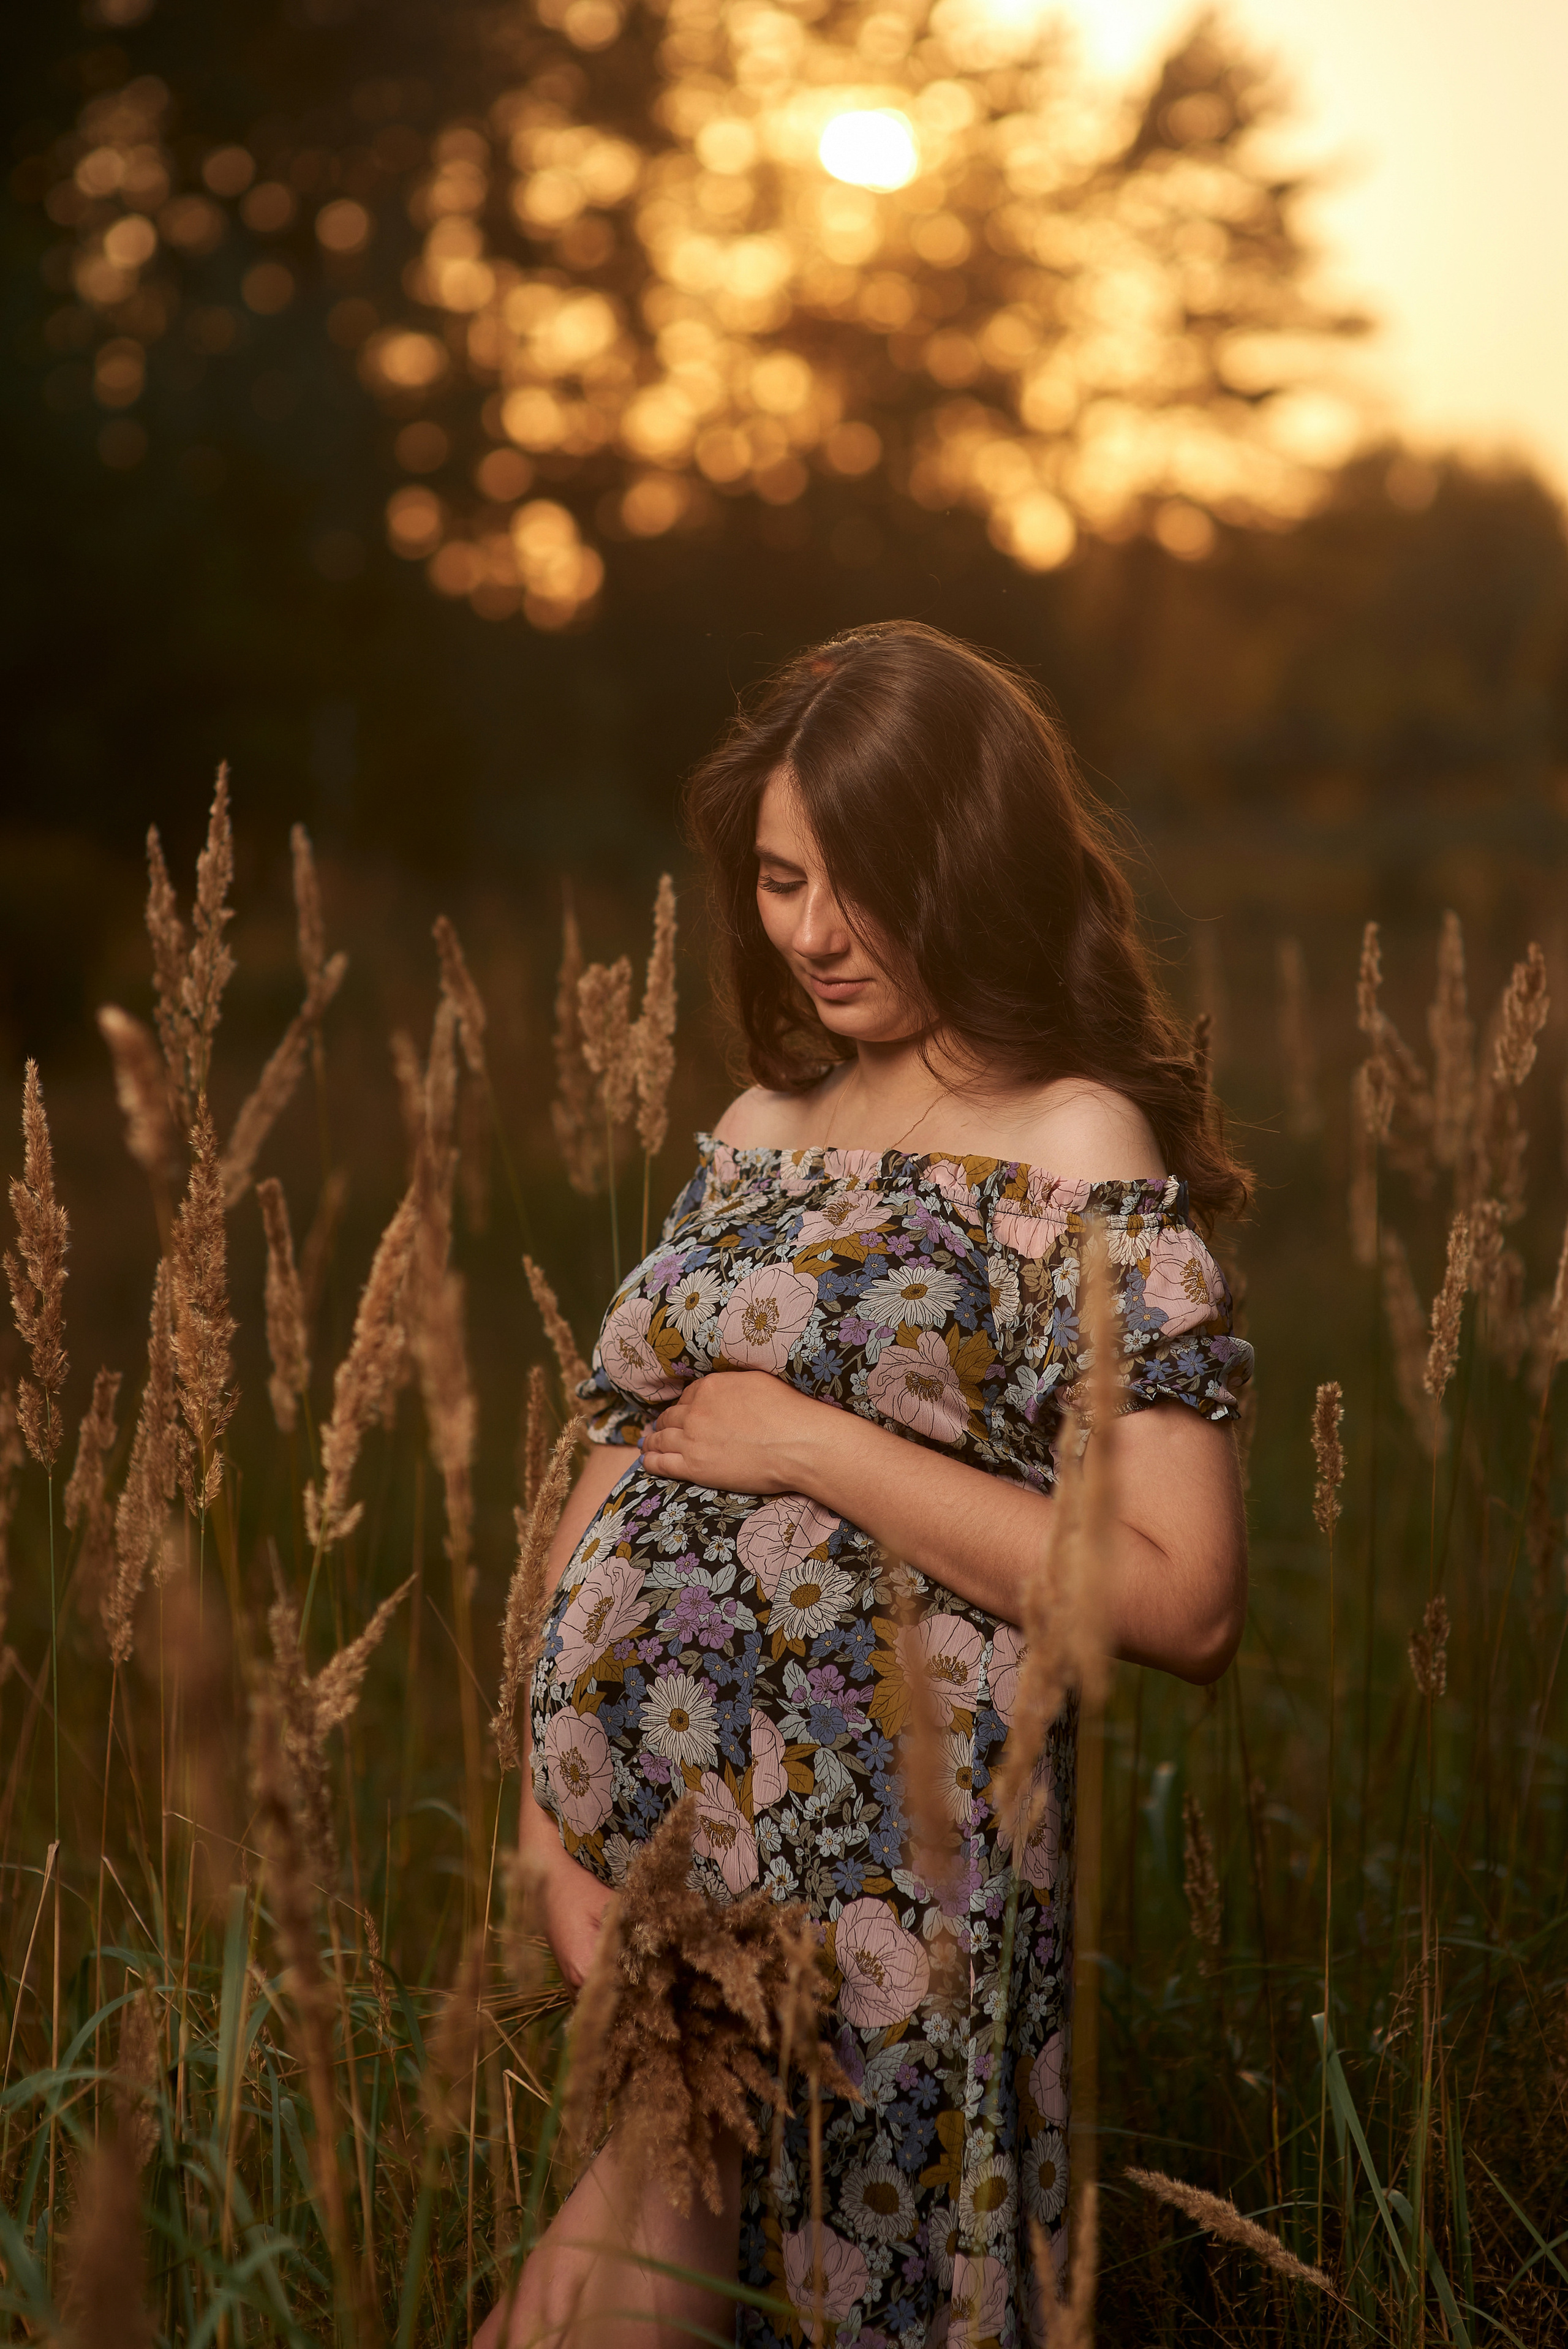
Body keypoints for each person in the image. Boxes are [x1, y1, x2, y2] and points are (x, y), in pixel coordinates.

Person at [478, 620, 1251, 2349]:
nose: (813, 933)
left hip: (882, 1887)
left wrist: (813, 1444)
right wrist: (543, 1826)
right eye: (779, 881)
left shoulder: (1074, 1145)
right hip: (657, 1863)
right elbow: (614, 1467)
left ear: (970, 872)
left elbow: (1183, 1594)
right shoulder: (762, 1128)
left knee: (796, 2288)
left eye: (862, 886)